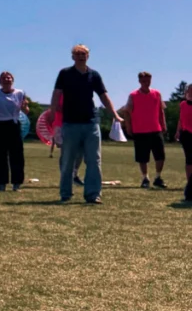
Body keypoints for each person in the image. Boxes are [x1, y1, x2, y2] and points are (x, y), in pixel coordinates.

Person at [51, 45, 123, 204]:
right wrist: (51, 112)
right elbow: (56, 94)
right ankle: (65, 193)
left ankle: (93, 194)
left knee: (94, 160)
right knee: (67, 159)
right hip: (70, 123)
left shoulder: (94, 75)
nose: (81, 56)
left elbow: (104, 96)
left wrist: (115, 114)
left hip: (91, 123)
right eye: (77, 54)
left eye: (83, 54)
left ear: (88, 56)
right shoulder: (65, 74)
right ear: (72, 57)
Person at [122, 72, 167, 189]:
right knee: (142, 157)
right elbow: (127, 111)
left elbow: (161, 110)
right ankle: (145, 178)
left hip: (156, 129)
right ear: (139, 81)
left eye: (148, 80)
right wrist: (128, 126)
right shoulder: (133, 95)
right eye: (143, 81)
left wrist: (163, 124)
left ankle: (158, 177)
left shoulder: (157, 94)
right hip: (140, 130)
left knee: (160, 155)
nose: (146, 83)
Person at [0, 71, 29, 191]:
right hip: (0, 125)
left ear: (12, 80)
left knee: (16, 155)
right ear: (0, 81)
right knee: (0, 155)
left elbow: (26, 111)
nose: (7, 79)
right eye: (4, 78)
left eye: (9, 77)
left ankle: (16, 183)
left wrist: (25, 106)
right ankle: (1, 183)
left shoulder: (20, 93)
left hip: (14, 124)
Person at [176, 85, 192, 201]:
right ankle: (190, 185)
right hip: (186, 135)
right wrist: (178, 131)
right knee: (189, 160)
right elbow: (181, 119)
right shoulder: (183, 104)